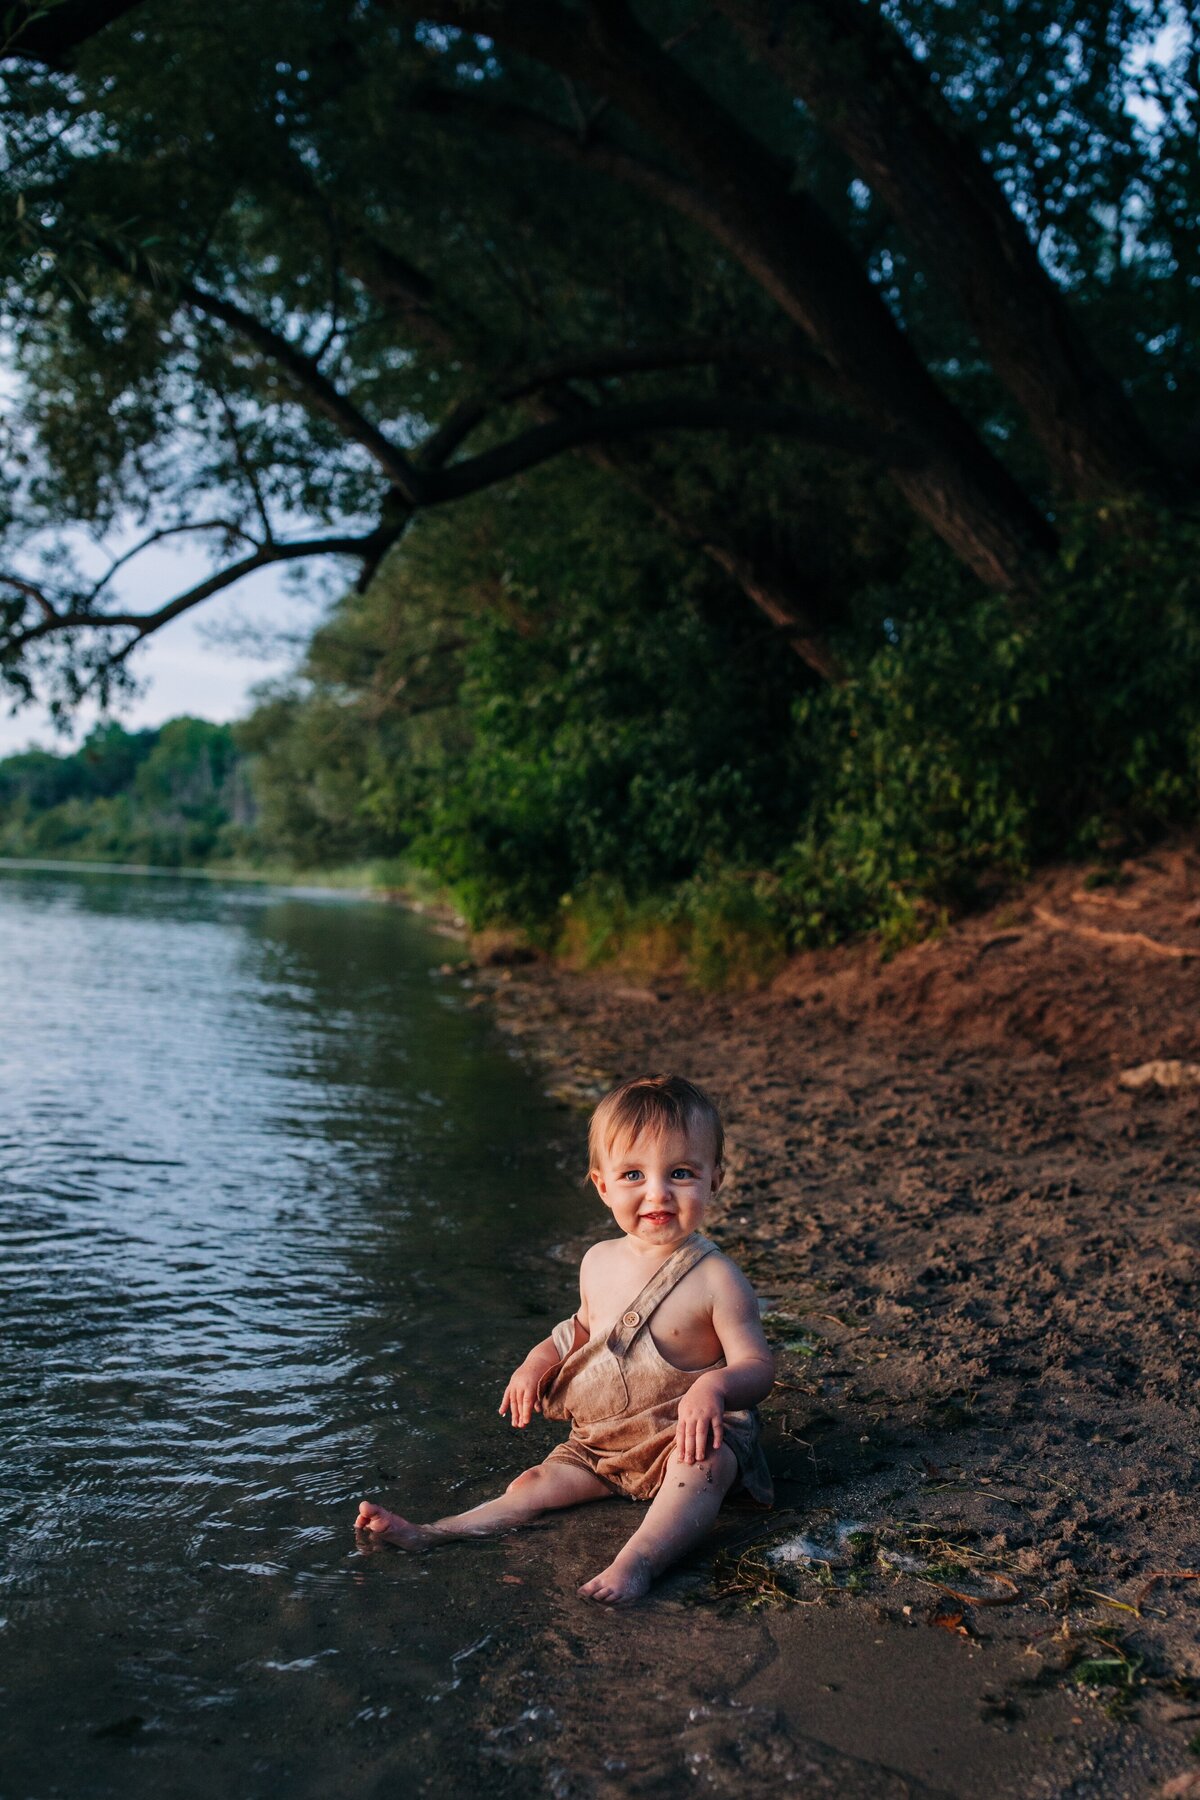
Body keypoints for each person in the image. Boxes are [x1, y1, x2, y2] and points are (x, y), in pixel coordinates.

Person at [354, 1073, 774, 1605]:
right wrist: (535, 1363)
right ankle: (439, 1531)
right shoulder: (598, 1261)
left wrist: (714, 1390)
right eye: (633, 1175)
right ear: (602, 1185)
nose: (658, 1192)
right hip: (606, 1440)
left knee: (701, 1475)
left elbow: (757, 1366)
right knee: (534, 1483)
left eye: (682, 1172)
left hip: (684, 1438)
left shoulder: (717, 1279)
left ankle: (639, 1561)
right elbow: (579, 1329)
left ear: (714, 1179)